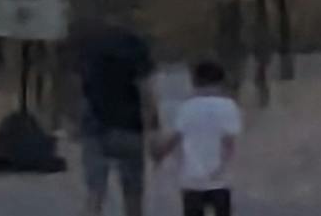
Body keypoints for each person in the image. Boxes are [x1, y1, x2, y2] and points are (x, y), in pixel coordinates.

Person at [76, 17, 158, 216]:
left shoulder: (90, 46)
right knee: (132, 193)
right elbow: (146, 91)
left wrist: (74, 122)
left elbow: (80, 88)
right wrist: (153, 129)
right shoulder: (135, 45)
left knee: (94, 192)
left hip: (94, 126)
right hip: (128, 127)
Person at [169, 57, 244, 216]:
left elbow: (177, 140)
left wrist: (169, 159)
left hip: (191, 179)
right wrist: (222, 167)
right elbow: (229, 143)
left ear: (195, 81)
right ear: (221, 82)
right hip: (219, 179)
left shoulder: (186, 107)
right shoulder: (229, 106)